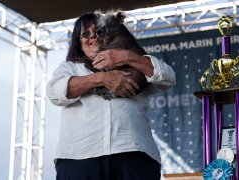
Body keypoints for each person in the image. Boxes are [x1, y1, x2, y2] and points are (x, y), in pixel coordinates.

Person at [47, 11, 176, 180]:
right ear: (79, 43)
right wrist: (101, 78)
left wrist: (126, 56)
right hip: (80, 156)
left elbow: (168, 77)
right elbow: (54, 93)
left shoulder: (135, 63)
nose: (93, 37)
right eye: (85, 34)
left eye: (99, 30)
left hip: (134, 153)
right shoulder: (70, 68)